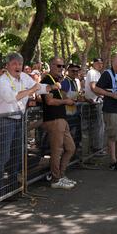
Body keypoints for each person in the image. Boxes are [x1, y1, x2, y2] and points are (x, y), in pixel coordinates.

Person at [0, 53, 52, 194]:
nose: (18, 66)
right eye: (14, 64)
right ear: (7, 65)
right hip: (3, 120)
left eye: (20, 64)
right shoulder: (2, 81)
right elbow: (11, 98)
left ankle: (12, 186)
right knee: (3, 155)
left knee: (17, 154)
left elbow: (38, 87)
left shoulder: (24, 77)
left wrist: (51, 87)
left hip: (19, 119)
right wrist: (31, 91)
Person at [40, 57, 77, 189]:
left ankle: (61, 175)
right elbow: (49, 101)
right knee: (57, 150)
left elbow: (61, 96)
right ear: (51, 65)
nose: (61, 68)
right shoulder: (46, 80)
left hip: (62, 119)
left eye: (63, 66)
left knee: (71, 148)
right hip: (54, 119)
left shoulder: (56, 81)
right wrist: (66, 102)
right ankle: (56, 179)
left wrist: (69, 98)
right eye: (58, 66)